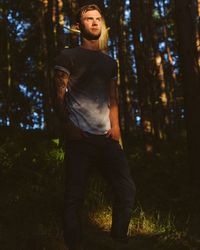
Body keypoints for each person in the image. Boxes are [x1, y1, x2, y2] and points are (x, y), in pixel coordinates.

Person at [54, 4, 136, 250]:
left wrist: (117, 128)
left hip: (107, 138)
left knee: (127, 189)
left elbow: (112, 97)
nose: (94, 23)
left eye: (98, 19)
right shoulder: (67, 56)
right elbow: (57, 95)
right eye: (89, 19)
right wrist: (67, 126)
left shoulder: (110, 62)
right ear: (79, 26)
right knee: (74, 196)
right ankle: (74, 245)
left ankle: (117, 240)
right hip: (80, 138)